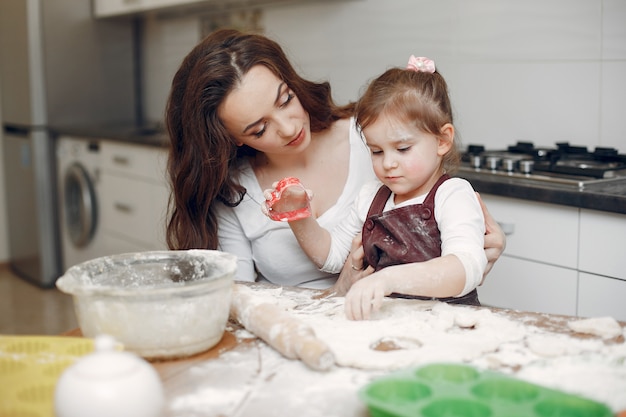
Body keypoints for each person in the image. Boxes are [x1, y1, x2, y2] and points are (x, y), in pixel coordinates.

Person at [165, 29, 505, 291]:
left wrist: (481, 247)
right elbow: (239, 301)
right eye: (259, 129)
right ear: (232, 138)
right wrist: (337, 289)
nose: (289, 128)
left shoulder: (374, 137)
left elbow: (454, 249)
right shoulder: (234, 190)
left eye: (285, 100)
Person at [262, 56, 487, 319]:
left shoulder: (452, 195)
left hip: (448, 325)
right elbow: (332, 257)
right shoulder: (371, 196)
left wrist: (388, 280)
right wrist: (298, 216)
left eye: (402, 149)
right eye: (376, 151)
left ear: (442, 140)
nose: (388, 163)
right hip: (388, 324)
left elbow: (466, 268)